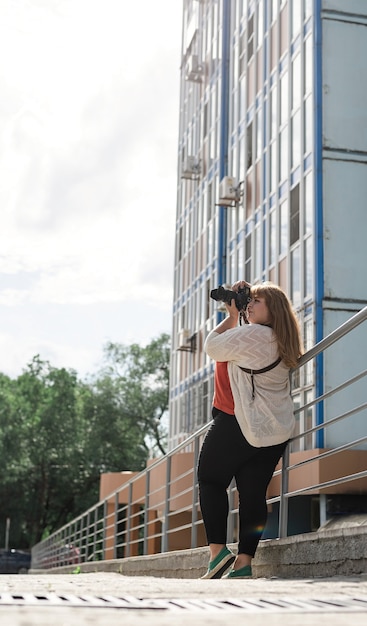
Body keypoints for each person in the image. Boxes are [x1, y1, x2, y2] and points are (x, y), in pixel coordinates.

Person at [198, 280, 303, 579]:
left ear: (273, 311)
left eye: (257, 301)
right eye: (250, 300)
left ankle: (217, 553)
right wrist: (242, 310)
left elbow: (213, 347)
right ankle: (244, 563)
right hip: (275, 430)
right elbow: (241, 345)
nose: (250, 305)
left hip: (241, 422)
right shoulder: (279, 338)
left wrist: (231, 317)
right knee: (253, 493)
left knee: (210, 479)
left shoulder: (256, 335)